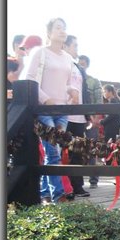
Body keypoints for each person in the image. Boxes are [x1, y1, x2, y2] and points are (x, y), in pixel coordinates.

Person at [23, 18, 80, 204]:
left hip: (62, 110)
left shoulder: (68, 58)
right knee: (52, 151)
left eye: (64, 28)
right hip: (44, 109)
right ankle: (58, 196)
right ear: (49, 32)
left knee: (56, 151)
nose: (62, 31)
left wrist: (72, 91)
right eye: (58, 28)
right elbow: (29, 79)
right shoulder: (40, 53)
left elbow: (67, 83)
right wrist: (45, 99)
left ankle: (45, 192)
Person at [63, 35, 91, 198]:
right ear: (65, 46)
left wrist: (88, 113)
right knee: (63, 153)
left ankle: (77, 186)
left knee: (78, 152)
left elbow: (84, 92)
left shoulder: (78, 68)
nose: (77, 49)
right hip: (64, 115)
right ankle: (65, 188)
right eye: (74, 46)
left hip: (79, 116)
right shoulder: (60, 64)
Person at [78, 55, 103, 188]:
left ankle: (93, 179)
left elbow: (99, 101)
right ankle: (77, 181)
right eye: (79, 63)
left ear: (87, 65)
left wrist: (96, 117)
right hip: (76, 118)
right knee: (76, 148)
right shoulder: (73, 79)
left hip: (91, 118)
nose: (80, 66)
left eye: (83, 64)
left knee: (92, 148)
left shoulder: (94, 81)